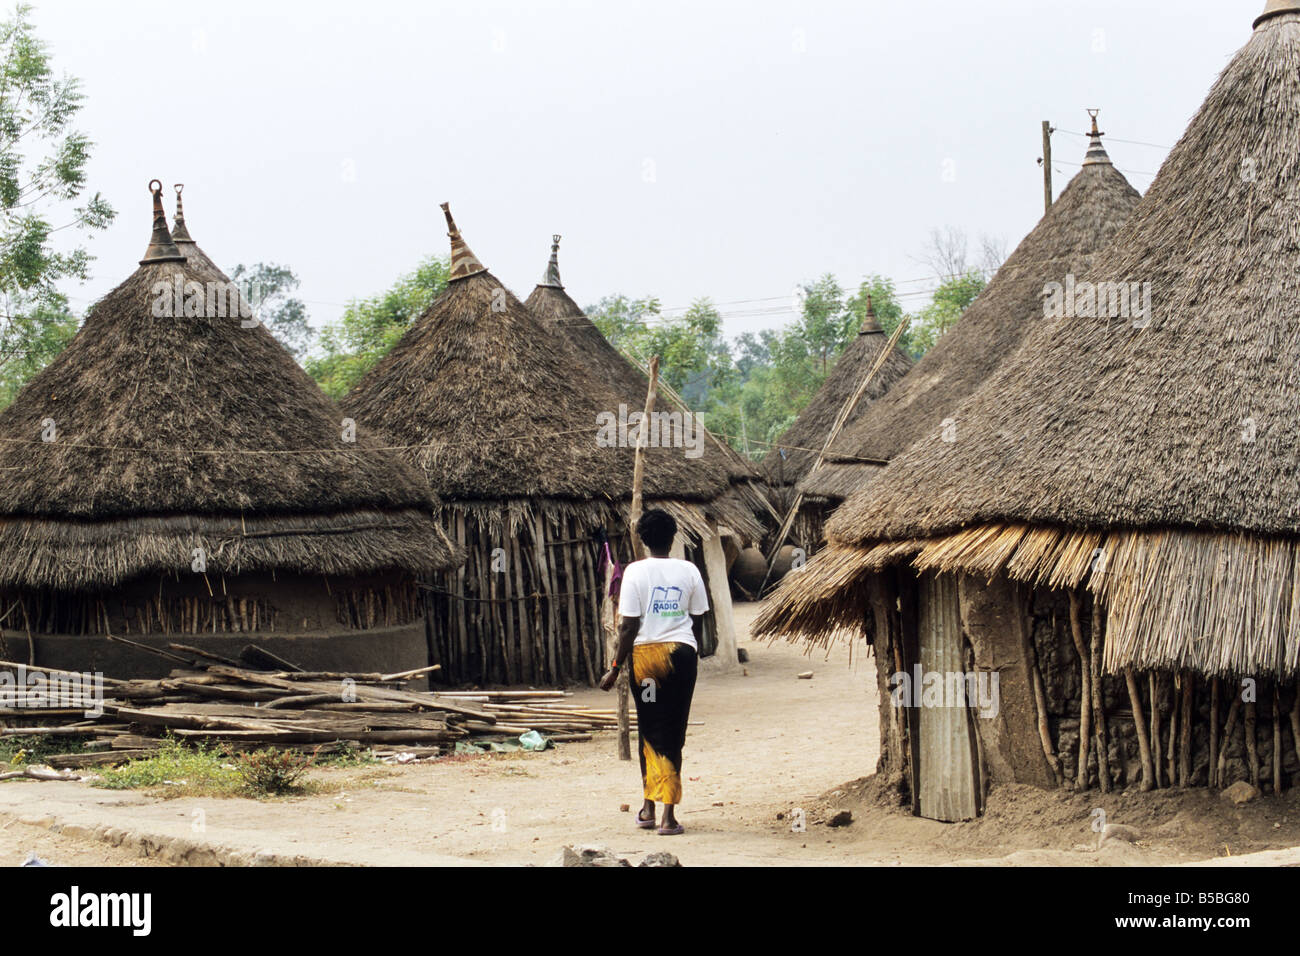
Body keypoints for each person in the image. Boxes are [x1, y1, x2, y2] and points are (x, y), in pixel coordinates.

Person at [600, 508, 707, 836]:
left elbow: (629, 627)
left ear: (642, 540)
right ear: (673, 537)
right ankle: (668, 817)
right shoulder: (689, 570)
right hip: (681, 658)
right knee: (674, 731)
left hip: (646, 663)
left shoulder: (633, 572)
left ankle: (648, 807)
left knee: (649, 728)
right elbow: (698, 617)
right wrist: (691, 652)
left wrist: (615, 668)